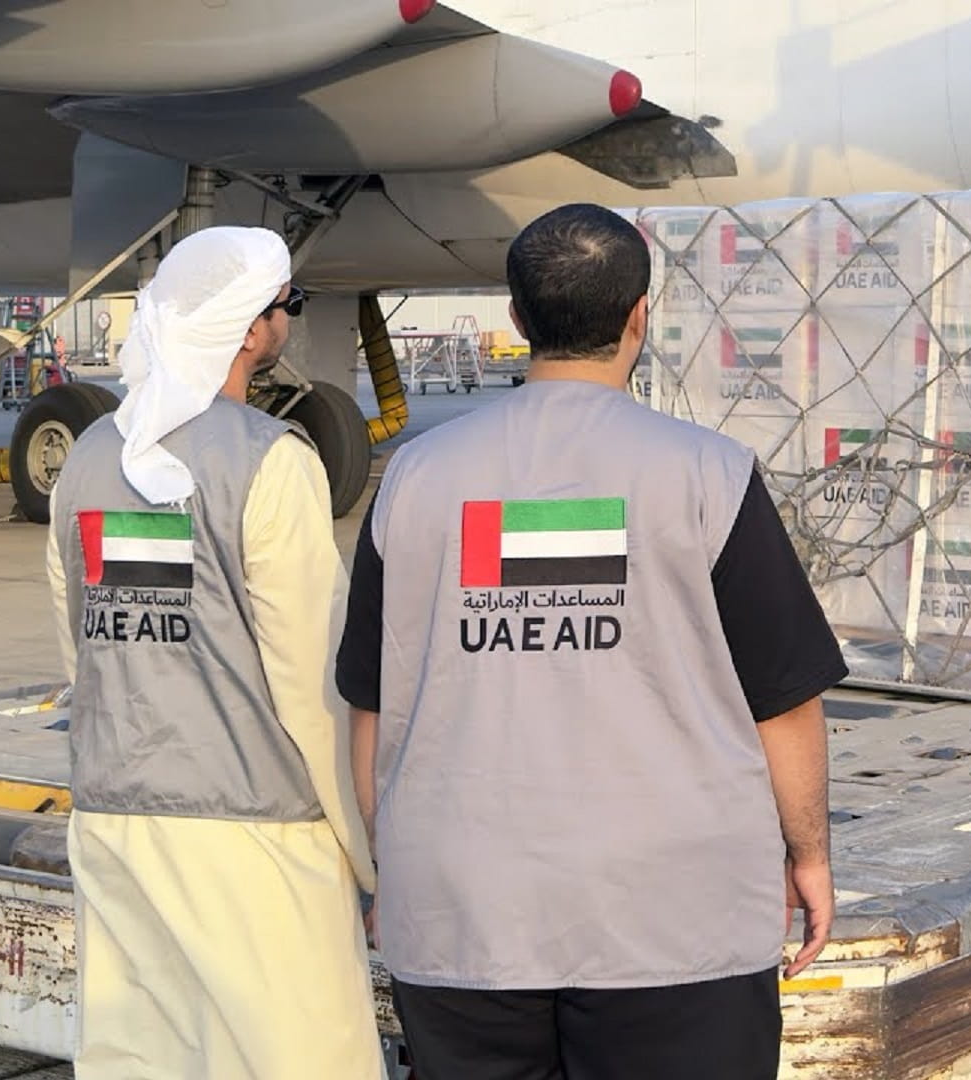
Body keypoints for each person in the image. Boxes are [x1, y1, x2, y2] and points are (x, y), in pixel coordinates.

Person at [336, 203, 845, 1080]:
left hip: (466, 914)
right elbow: (785, 703)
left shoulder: (415, 477)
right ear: (640, 315)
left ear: (518, 319)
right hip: (673, 922)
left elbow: (370, 706)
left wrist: (400, 868)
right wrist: (809, 854)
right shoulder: (708, 475)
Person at [44, 226, 383, 1080]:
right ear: (252, 330)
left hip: (114, 820)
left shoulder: (85, 460)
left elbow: (79, 654)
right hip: (255, 840)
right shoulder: (269, 461)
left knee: (139, 1061)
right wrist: (366, 851)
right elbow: (313, 682)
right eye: (287, 306)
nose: (288, 323)